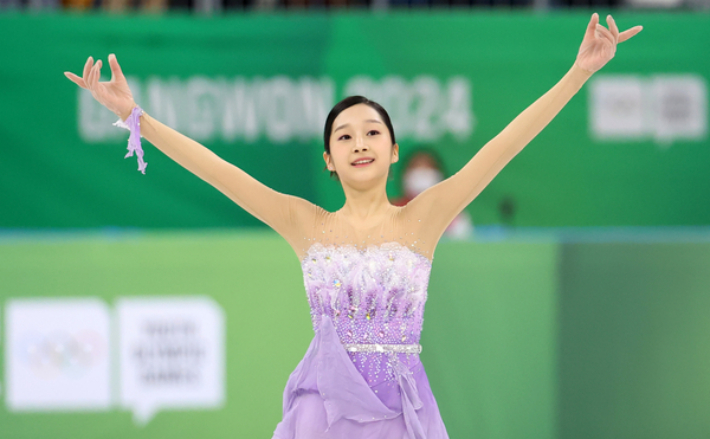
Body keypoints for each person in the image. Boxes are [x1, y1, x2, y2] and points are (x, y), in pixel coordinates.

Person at [64, 13, 642, 438]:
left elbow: (504, 147)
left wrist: (578, 74)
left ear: (394, 152)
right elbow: (218, 171)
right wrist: (136, 117)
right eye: (344, 136)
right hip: (324, 414)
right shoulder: (304, 224)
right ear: (328, 160)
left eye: (372, 133)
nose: (359, 143)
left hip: (402, 414)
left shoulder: (424, 217)